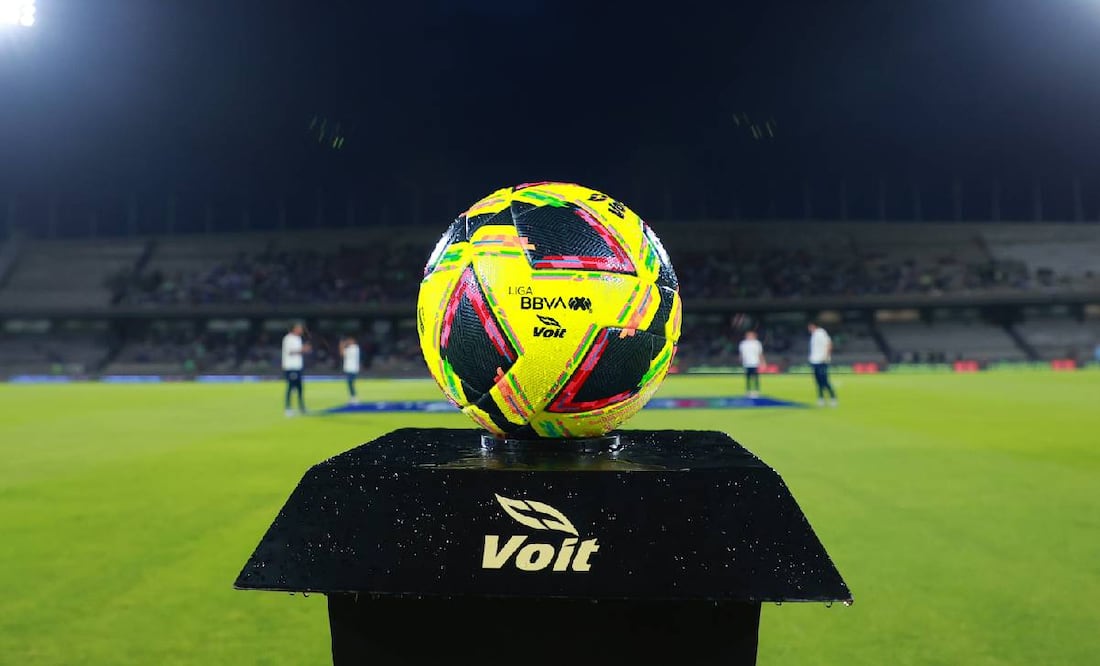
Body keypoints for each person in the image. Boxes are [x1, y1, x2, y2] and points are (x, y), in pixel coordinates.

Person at [282, 322, 311, 416]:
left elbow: (298, 351)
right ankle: (288, 408)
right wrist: (302, 350)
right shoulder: (288, 338)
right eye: (299, 328)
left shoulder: (298, 338)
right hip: (291, 367)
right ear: (294, 329)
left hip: (298, 366)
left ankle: (301, 407)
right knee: (291, 387)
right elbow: (290, 352)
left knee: (300, 388)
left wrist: (303, 349)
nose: (301, 330)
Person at [807, 321, 837, 407]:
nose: (809, 329)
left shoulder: (821, 332)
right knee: (818, 381)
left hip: (821, 361)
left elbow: (829, 344)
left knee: (824, 380)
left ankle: (833, 398)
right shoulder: (813, 335)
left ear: (813, 326)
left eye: (810, 327)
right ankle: (821, 398)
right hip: (814, 361)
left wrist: (826, 356)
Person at [738, 330, 765, 398]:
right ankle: (748, 391)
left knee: (755, 378)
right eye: (748, 335)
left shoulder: (757, 343)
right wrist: (741, 361)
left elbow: (760, 353)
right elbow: (741, 354)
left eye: (750, 335)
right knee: (748, 378)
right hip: (746, 363)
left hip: (755, 363)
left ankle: (756, 391)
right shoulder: (743, 343)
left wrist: (762, 362)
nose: (749, 336)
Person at [339, 334, 361, 405]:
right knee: (350, 384)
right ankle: (352, 397)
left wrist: (341, 345)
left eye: (349, 340)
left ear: (353, 341)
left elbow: (342, 354)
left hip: (352, 368)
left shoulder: (353, 348)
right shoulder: (353, 348)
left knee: (350, 384)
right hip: (351, 368)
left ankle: (354, 398)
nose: (348, 341)